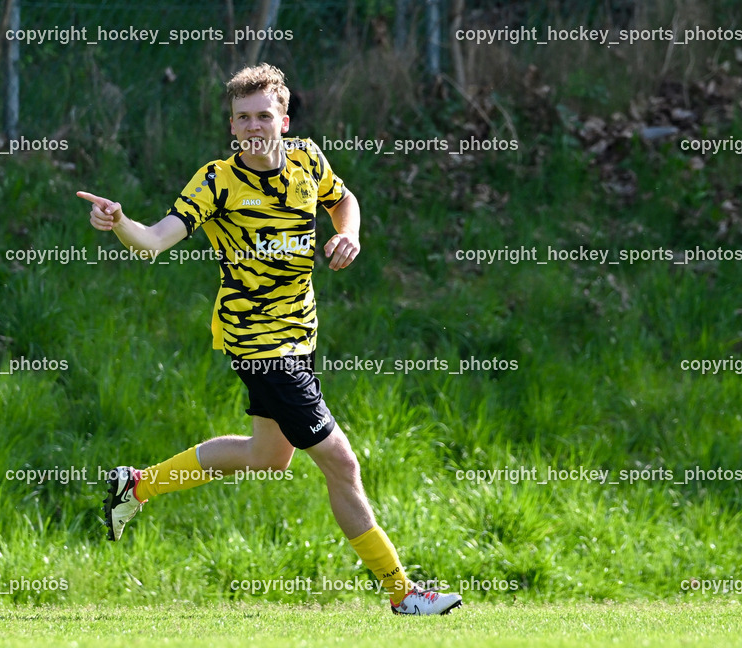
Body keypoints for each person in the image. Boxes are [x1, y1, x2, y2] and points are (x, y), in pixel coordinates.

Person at [77, 63, 461, 615]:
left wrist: (346, 234)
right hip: (258, 344)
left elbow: (343, 199)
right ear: (231, 128)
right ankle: (403, 594)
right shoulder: (216, 182)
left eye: (263, 116)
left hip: (298, 332)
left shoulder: (307, 159)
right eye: (241, 119)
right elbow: (154, 241)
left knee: (267, 457)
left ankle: (135, 487)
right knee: (342, 463)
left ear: (283, 118)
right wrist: (119, 222)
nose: (253, 126)